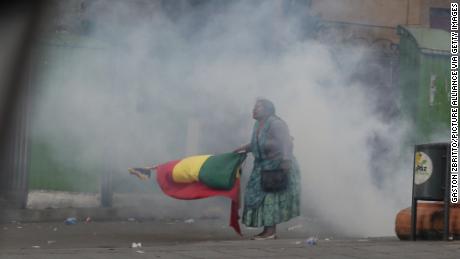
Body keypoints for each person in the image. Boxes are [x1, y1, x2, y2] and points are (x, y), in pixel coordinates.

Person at [234, 99, 301, 240]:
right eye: (254, 107)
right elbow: (257, 143)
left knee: (270, 199)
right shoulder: (258, 124)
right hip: (262, 166)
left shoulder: (276, 124)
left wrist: (286, 162)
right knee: (256, 196)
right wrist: (244, 148)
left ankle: (270, 232)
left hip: (276, 166)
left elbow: (287, 142)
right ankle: (268, 230)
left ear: (268, 109)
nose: (254, 109)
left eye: (258, 107)